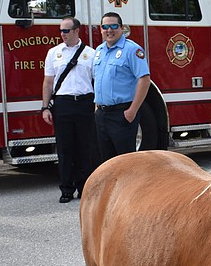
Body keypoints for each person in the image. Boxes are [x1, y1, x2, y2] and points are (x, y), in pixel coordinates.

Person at [40, 17, 96, 202]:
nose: (62, 34)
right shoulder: (53, 53)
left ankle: (84, 188)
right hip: (63, 103)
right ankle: (66, 189)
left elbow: (97, 81)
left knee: (85, 147)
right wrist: (45, 107)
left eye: (66, 31)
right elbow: (48, 82)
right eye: (61, 31)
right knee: (65, 148)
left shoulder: (91, 53)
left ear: (76, 31)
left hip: (85, 102)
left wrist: (97, 103)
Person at [92, 12, 151, 162]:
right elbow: (98, 79)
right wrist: (97, 106)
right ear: (101, 29)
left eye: (113, 26)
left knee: (126, 163)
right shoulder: (99, 51)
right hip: (102, 115)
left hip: (121, 114)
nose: (109, 30)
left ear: (122, 28)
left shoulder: (132, 50)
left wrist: (132, 111)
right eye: (105, 26)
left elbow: (144, 79)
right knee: (106, 162)